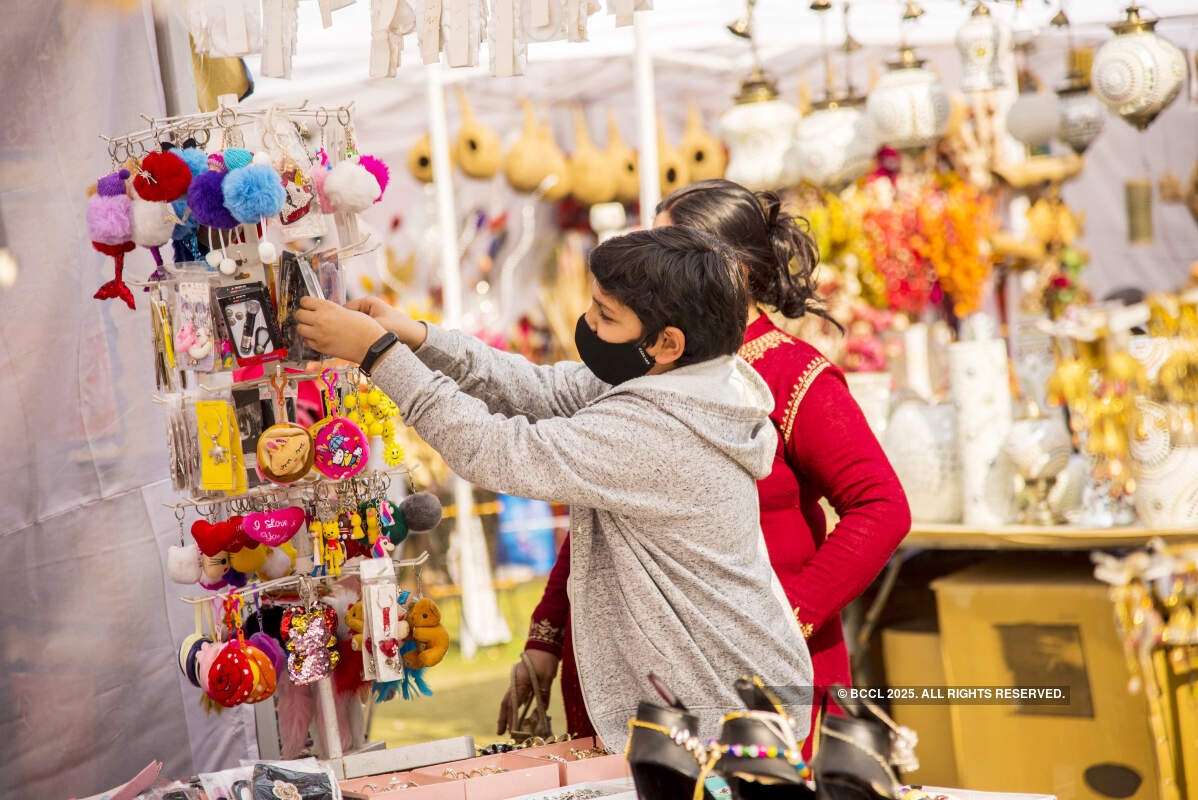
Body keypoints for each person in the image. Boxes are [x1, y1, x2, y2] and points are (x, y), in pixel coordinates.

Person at [295, 225, 815, 749]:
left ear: (667, 343)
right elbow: (536, 388)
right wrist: (419, 338)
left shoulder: (659, 429)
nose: (587, 323)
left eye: (605, 317)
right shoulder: (680, 383)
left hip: (721, 711)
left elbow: (495, 449)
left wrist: (380, 355)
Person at [502, 179, 911, 756]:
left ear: (731, 273)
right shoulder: (652, 360)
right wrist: (547, 633)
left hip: (745, 672)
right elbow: (604, 506)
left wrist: (786, 619)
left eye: (669, 249)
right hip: (629, 660)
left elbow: (882, 507)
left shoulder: (794, 375)